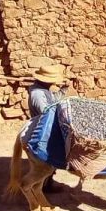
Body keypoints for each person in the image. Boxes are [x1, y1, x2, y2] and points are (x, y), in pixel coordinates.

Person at [27, 64, 67, 193]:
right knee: (47, 158)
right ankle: (40, 187)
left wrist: (64, 90)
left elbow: (55, 99)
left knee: (52, 159)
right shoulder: (37, 94)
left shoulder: (45, 90)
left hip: (48, 125)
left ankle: (48, 182)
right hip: (42, 128)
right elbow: (45, 111)